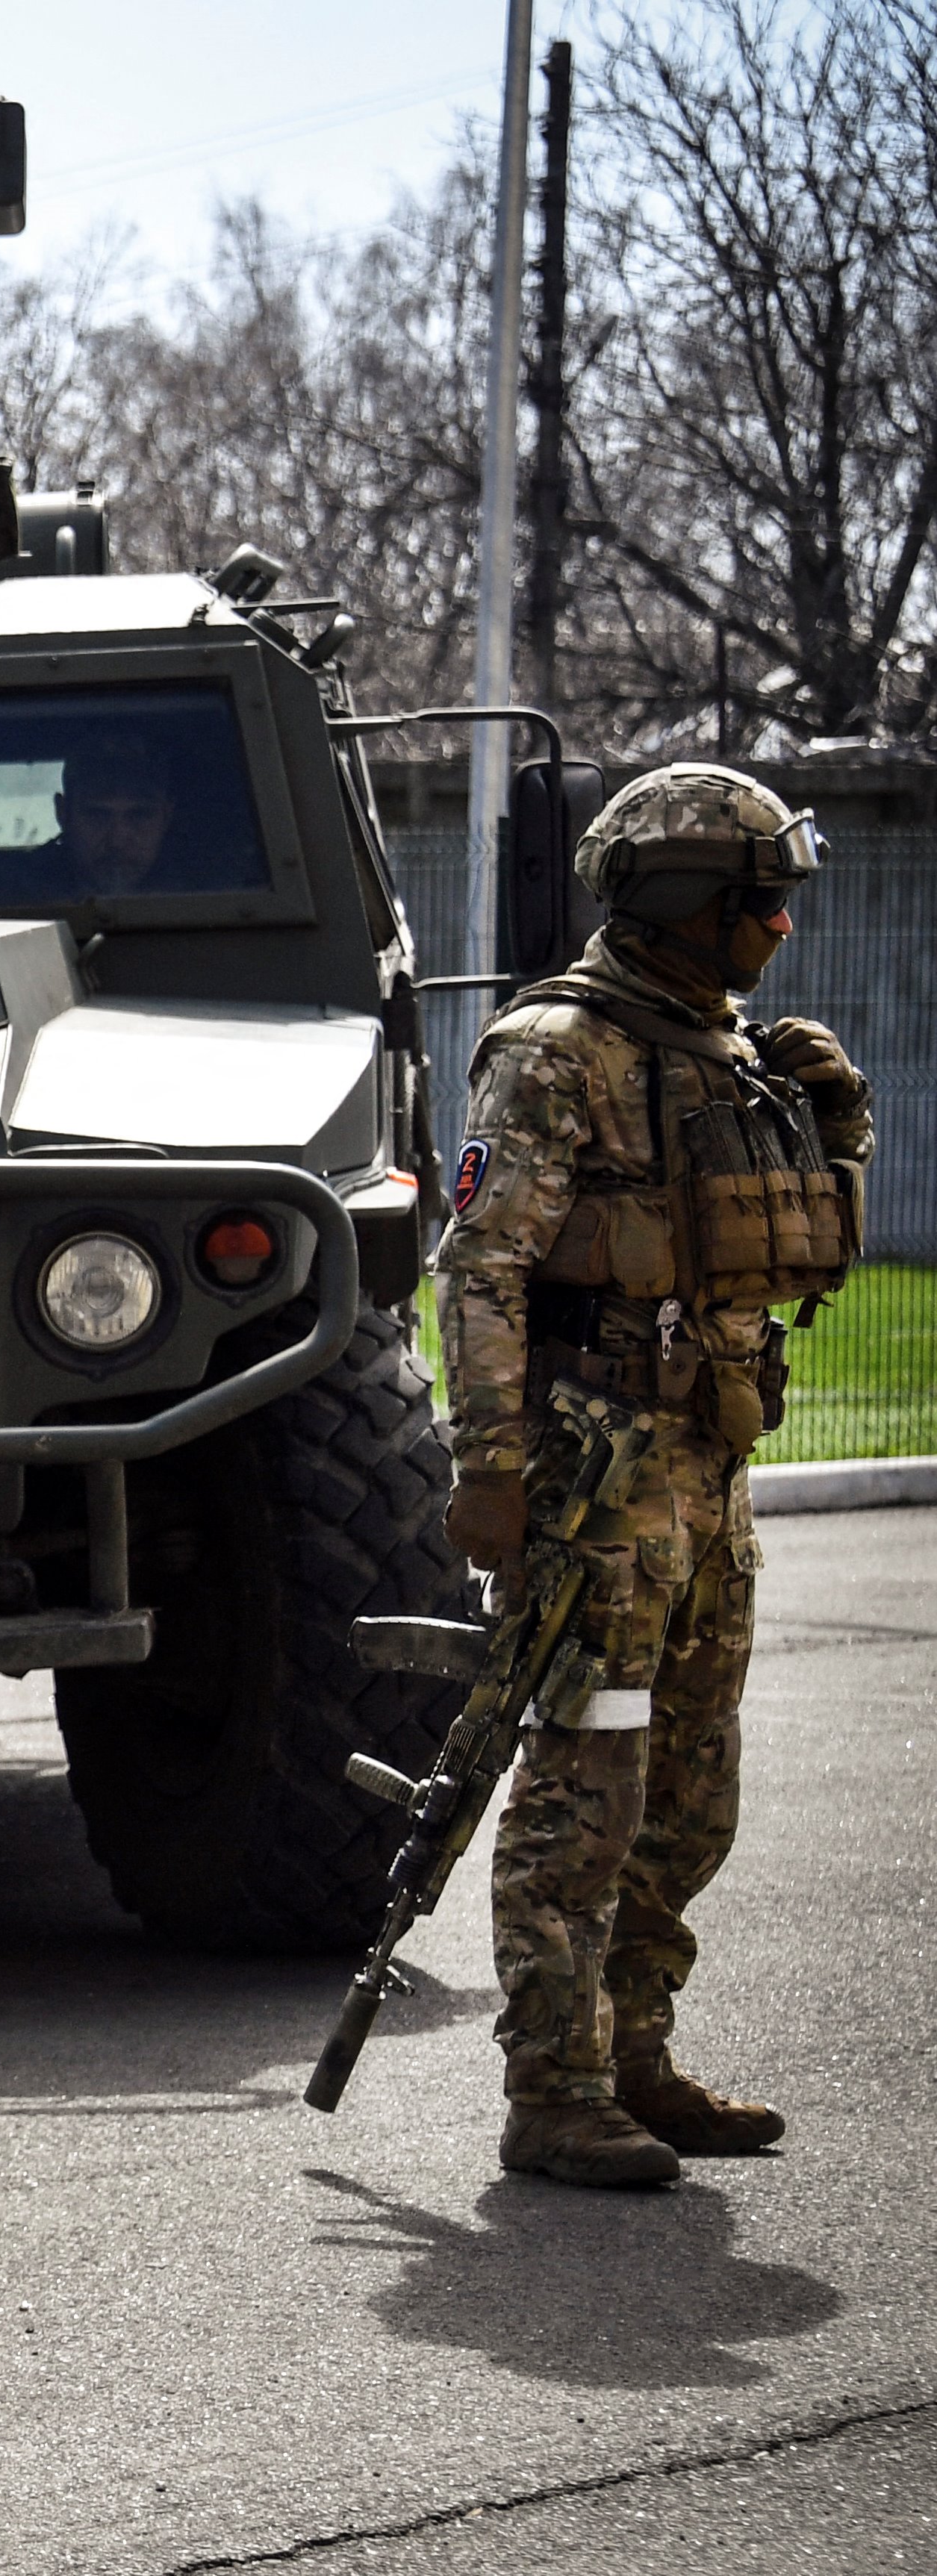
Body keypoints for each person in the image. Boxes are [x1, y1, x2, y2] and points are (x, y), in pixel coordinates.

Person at [433, 761, 873, 2189]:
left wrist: (834, 1138)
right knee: (585, 1785)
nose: (779, 931)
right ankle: (552, 2090)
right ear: (688, 903)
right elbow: (482, 1264)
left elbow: (772, 1252)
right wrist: (489, 1464)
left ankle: (635, 2052)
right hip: (597, 1477)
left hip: (708, 1463)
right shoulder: (554, 1050)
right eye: (760, 904)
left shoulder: (731, 1051)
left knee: (692, 1786)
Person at [54, 735, 178, 897]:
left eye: (139, 816)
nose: (117, 841)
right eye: (97, 816)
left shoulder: (208, 892)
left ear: (166, 816)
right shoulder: (18, 895)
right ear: (63, 813)